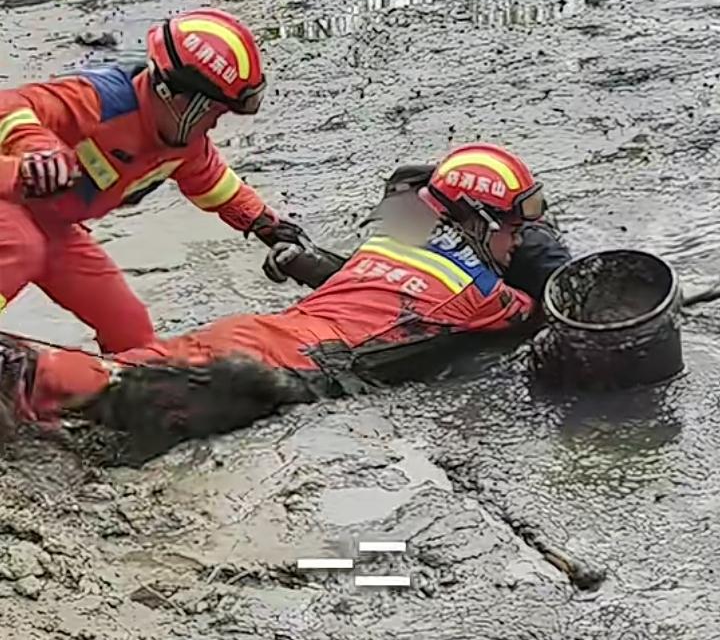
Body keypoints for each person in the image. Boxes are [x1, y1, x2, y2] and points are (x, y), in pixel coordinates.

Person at [0, 142, 571, 456]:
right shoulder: (481, 296)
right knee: (134, 392)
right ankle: (25, 371)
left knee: (133, 372)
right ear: (477, 223)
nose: (515, 241)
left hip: (261, 332)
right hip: (286, 363)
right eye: (512, 230)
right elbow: (552, 307)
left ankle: (30, 375)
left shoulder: (389, 243)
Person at [0, 9, 306, 353]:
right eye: (213, 112)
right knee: (21, 247)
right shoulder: (101, 101)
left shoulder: (185, 146)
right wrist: (37, 149)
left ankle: (107, 383)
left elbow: (216, 186)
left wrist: (268, 228)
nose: (214, 124)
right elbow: (11, 105)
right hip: (9, 200)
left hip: (52, 224)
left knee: (130, 329)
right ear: (176, 98)